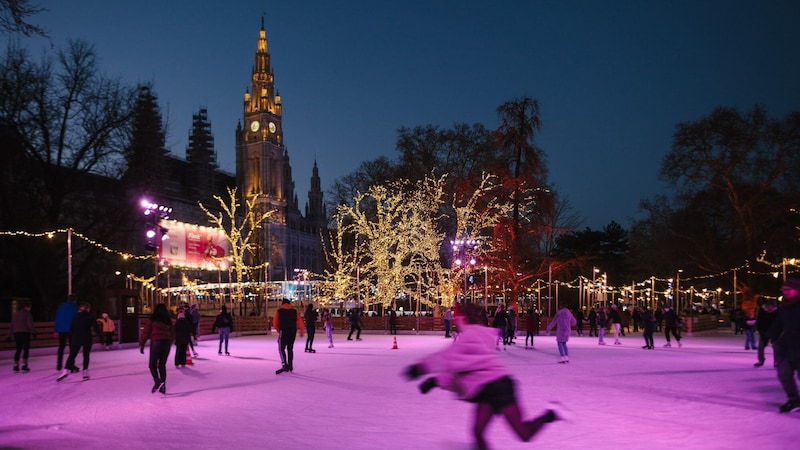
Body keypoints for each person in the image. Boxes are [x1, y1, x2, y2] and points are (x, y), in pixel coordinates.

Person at [403, 302, 568, 450]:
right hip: (485, 389)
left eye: (457, 318)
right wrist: (435, 381)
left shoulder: (470, 335)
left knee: (523, 434)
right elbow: (464, 371)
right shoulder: (475, 335)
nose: (455, 322)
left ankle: (551, 413)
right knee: (477, 432)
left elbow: (446, 358)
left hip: (498, 387)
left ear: (462, 319)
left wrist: (420, 368)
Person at [770, 279, 800, 412]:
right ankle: (794, 399)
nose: (786, 292)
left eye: (789, 289)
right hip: (787, 346)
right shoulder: (784, 307)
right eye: (784, 290)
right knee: (784, 373)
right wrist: (771, 335)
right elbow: (779, 323)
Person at [57, 302, 101, 381]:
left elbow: (71, 327)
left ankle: (65, 370)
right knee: (86, 355)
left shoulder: (75, 317)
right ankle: (85, 372)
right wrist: (101, 337)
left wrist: (73, 336)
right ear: (88, 309)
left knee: (72, 355)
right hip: (87, 338)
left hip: (76, 338)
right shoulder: (90, 317)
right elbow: (96, 328)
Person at [139, 303, 174, 394]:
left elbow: (146, 332)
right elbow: (172, 333)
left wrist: (142, 345)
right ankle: (163, 385)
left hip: (156, 343)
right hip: (166, 343)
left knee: (152, 364)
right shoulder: (168, 320)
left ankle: (156, 379)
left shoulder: (152, 319)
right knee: (162, 365)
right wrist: (169, 343)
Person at [274, 299, 304, 374]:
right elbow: (300, 321)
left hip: (283, 331)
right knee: (290, 348)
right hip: (292, 332)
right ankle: (290, 366)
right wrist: (301, 331)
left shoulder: (279, 311)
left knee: (281, 349)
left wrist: (279, 330)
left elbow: (275, 323)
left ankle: (284, 365)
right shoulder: (294, 311)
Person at [53, 294, 79, 371]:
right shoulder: (75, 307)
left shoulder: (61, 307)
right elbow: (77, 319)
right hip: (71, 330)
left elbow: (57, 318)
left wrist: (56, 330)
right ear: (74, 300)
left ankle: (59, 364)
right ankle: (71, 364)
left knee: (61, 347)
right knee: (72, 347)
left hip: (61, 329)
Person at [10, 301, 35, 373]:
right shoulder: (28, 314)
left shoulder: (16, 314)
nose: (30, 308)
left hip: (16, 333)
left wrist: (9, 334)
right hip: (25, 333)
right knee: (26, 349)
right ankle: (24, 364)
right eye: (29, 307)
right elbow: (29, 324)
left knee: (18, 349)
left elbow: (12, 325)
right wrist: (33, 332)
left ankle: (15, 365)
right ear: (26, 307)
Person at [754, 300, 778, 367]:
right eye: (770, 307)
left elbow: (780, 323)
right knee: (761, 347)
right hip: (764, 331)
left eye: (773, 307)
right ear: (767, 306)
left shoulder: (778, 312)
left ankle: (777, 361)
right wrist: (761, 331)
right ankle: (760, 360)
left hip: (775, 332)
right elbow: (759, 322)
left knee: (776, 347)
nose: (771, 308)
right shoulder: (762, 311)